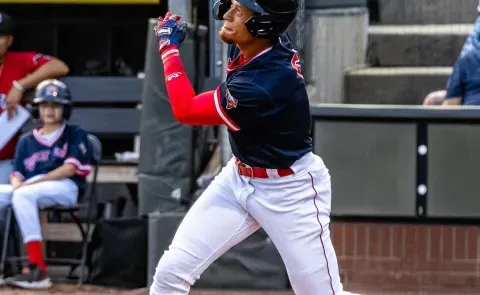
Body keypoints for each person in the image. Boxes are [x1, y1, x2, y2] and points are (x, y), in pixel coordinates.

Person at [149, 1, 359, 294]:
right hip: (238, 178)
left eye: (241, 11)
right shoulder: (255, 43)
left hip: (290, 191)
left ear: (263, 26)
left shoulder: (263, 84)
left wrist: (169, 49)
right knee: (170, 273)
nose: (228, 14)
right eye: (233, 4)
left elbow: (185, 110)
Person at [0, 79, 92, 289]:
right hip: (30, 189)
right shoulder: (26, 140)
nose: (49, 110)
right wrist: (17, 185)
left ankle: (37, 269)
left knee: (24, 195)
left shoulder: (75, 134)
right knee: (15, 194)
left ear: (65, 109)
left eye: (55, 105)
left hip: (66, 187)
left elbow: (69, 169)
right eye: (45, 105)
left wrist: (30, 184)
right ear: (37, 109)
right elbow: (16, 173)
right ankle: (6, 267)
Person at [0, 12, 70, 184]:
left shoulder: (19, 61)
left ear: (9, 41)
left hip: (6, 161)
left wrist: (20, 85)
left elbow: (59, 66)